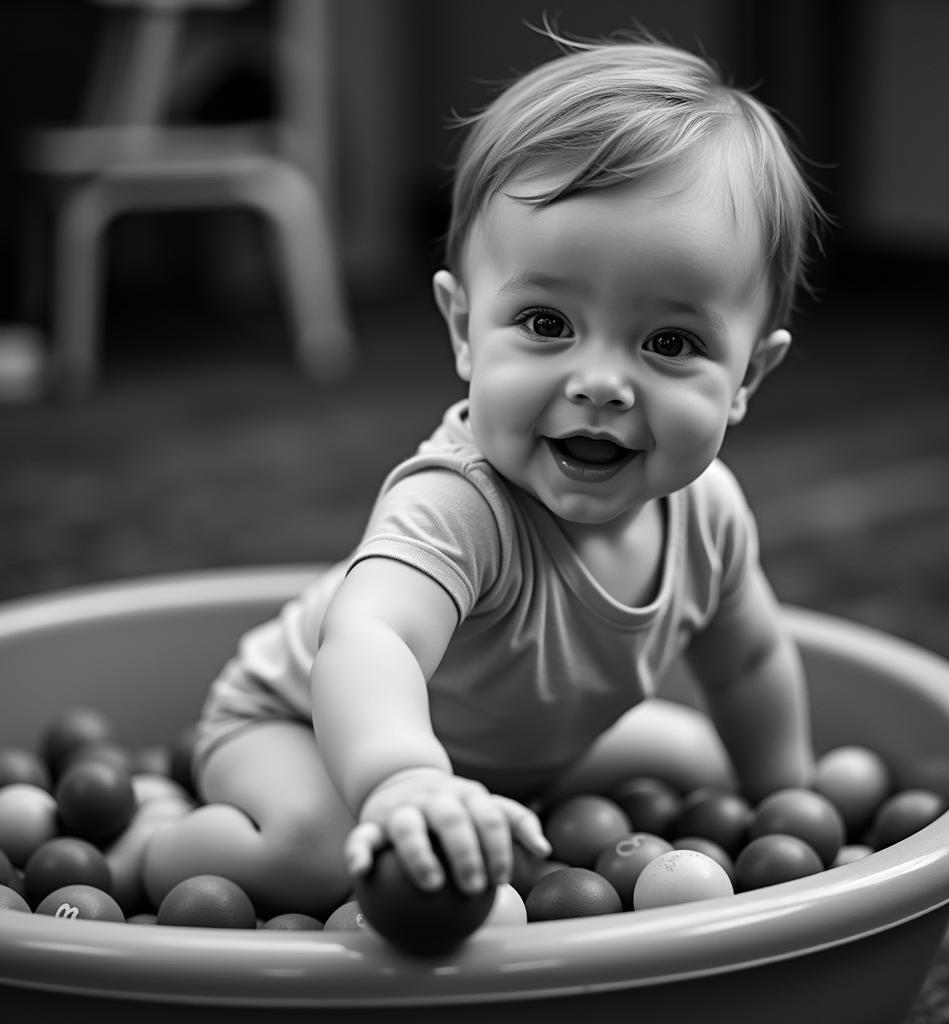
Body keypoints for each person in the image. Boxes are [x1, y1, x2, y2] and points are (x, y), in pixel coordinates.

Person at [143, 29, 824, 920]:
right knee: (317, 852)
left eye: (671, 343)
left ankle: (474, 797)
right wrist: (402, 781)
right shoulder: (457, 505)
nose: (601, 383)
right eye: (546, 323)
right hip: (299, 727)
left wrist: (793, 810)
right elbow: (372, 642)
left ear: (747, 379)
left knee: (701, 760)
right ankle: (151, 836)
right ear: (464, 328)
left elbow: (750, 663)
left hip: (509, 760)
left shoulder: (712, 516)